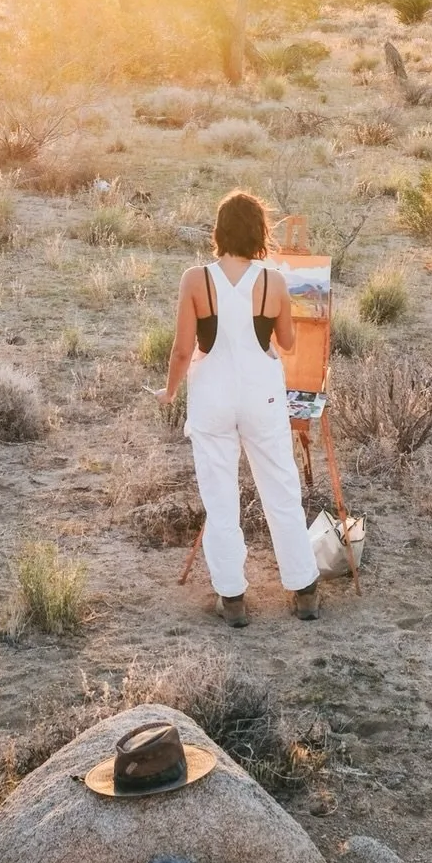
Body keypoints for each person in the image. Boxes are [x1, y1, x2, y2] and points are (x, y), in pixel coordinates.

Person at [159, 190, 321, 625]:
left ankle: (232, 599)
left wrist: (169, 392)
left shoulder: (195, 279)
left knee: (220, 496)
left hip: (212, 395)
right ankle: (304, 589)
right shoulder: (273, 281)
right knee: (281, 489)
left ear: (219, 230)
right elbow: (286, 343)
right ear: (259, 233)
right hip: (261, 395)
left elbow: (181, 349)